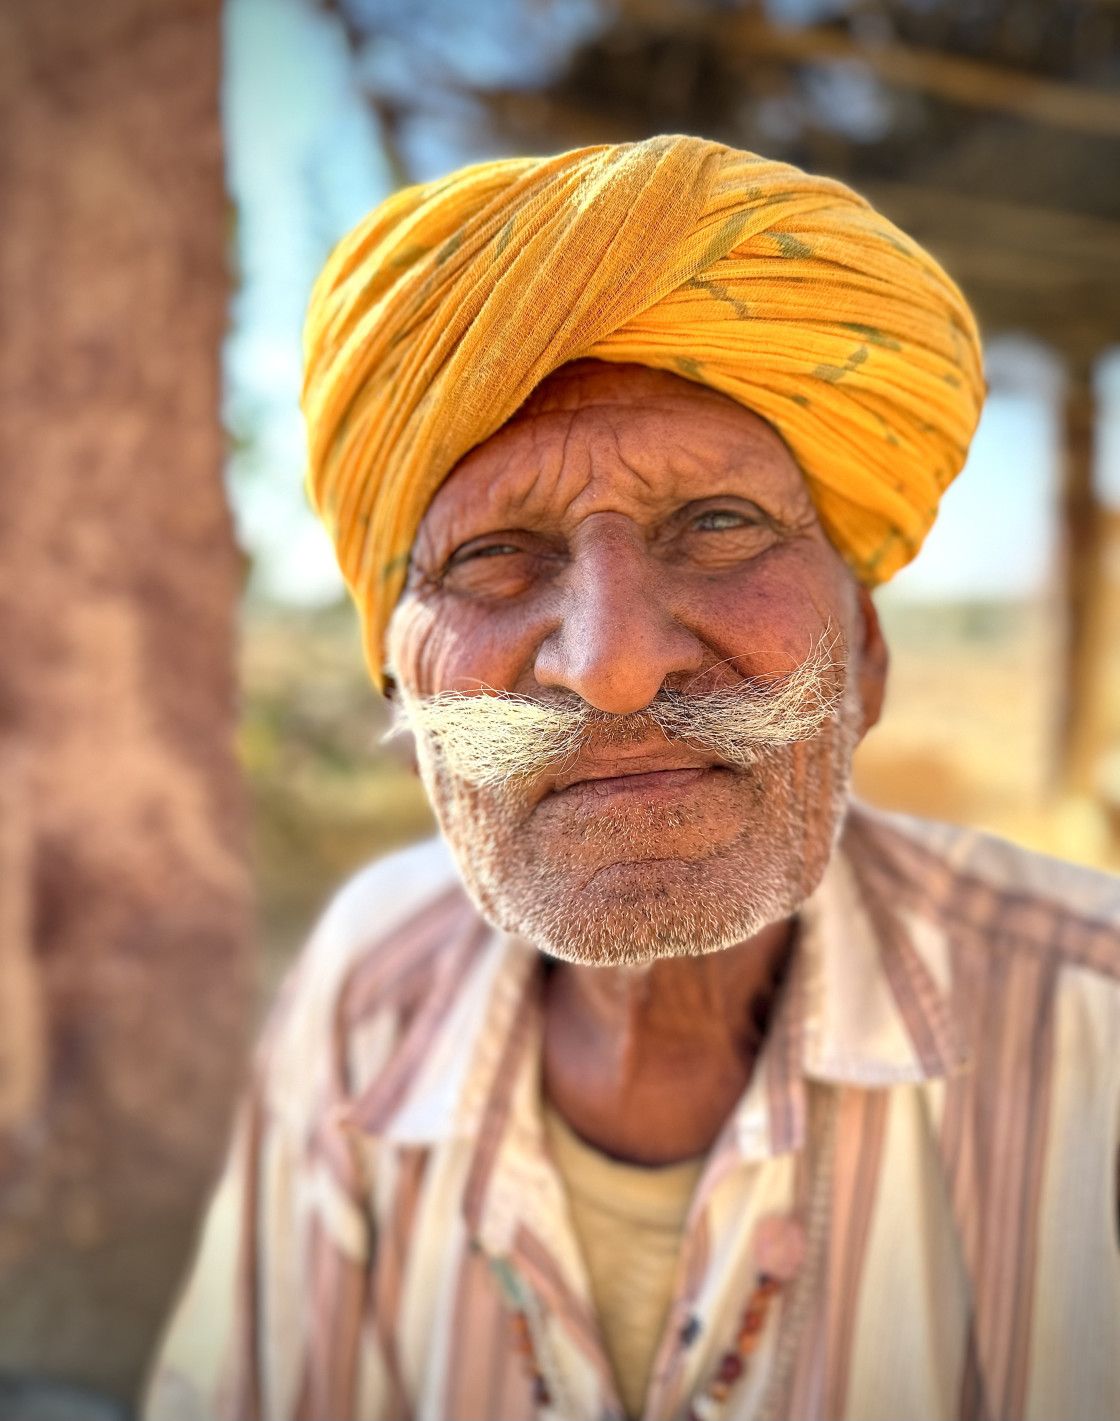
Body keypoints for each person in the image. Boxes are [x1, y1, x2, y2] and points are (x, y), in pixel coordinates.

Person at [145, 137, 1120, 1421]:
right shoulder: (363, 991)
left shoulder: (1092, 1024)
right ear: (407, 696)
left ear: (867, 656)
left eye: (716, 525)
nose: (612, 667)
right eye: (494, 553)